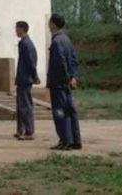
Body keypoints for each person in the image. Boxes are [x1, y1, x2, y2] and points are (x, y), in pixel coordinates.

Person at [46, 13, 82, 150]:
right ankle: (76, 140)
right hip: (67, 83)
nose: (48, 25)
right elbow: (73, 60)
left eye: (49, 22)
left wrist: (67, 78)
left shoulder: (56, 41)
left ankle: (65, 140)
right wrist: (72, 77)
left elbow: (60, 62)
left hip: (58, 83)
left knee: (60, 112)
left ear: (54, 24)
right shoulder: (66, 39)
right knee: (71, 111)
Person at [14, 20, 41, 140]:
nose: (15, 31)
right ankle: (21, 129)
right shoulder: (24, 43)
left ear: (22, 29)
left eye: (17, 28)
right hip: (23, 77)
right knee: (21, 104)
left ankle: (29, 131)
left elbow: (31, 61)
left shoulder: (26, 43)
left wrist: (34, 76)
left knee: (25, 105)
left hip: (25, 78)